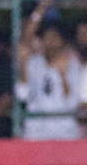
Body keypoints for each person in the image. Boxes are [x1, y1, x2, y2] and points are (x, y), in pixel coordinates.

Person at [17, 11, 82, 139]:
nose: (50, 42)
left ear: (62, 41)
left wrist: (63, 76)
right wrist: (22, 66)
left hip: (65, 131)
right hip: (35, 131)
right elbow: (22, 95)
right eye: (47, 38)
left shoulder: (73, 65)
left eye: (54, 38)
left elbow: (72, 104)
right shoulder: (33, 63)